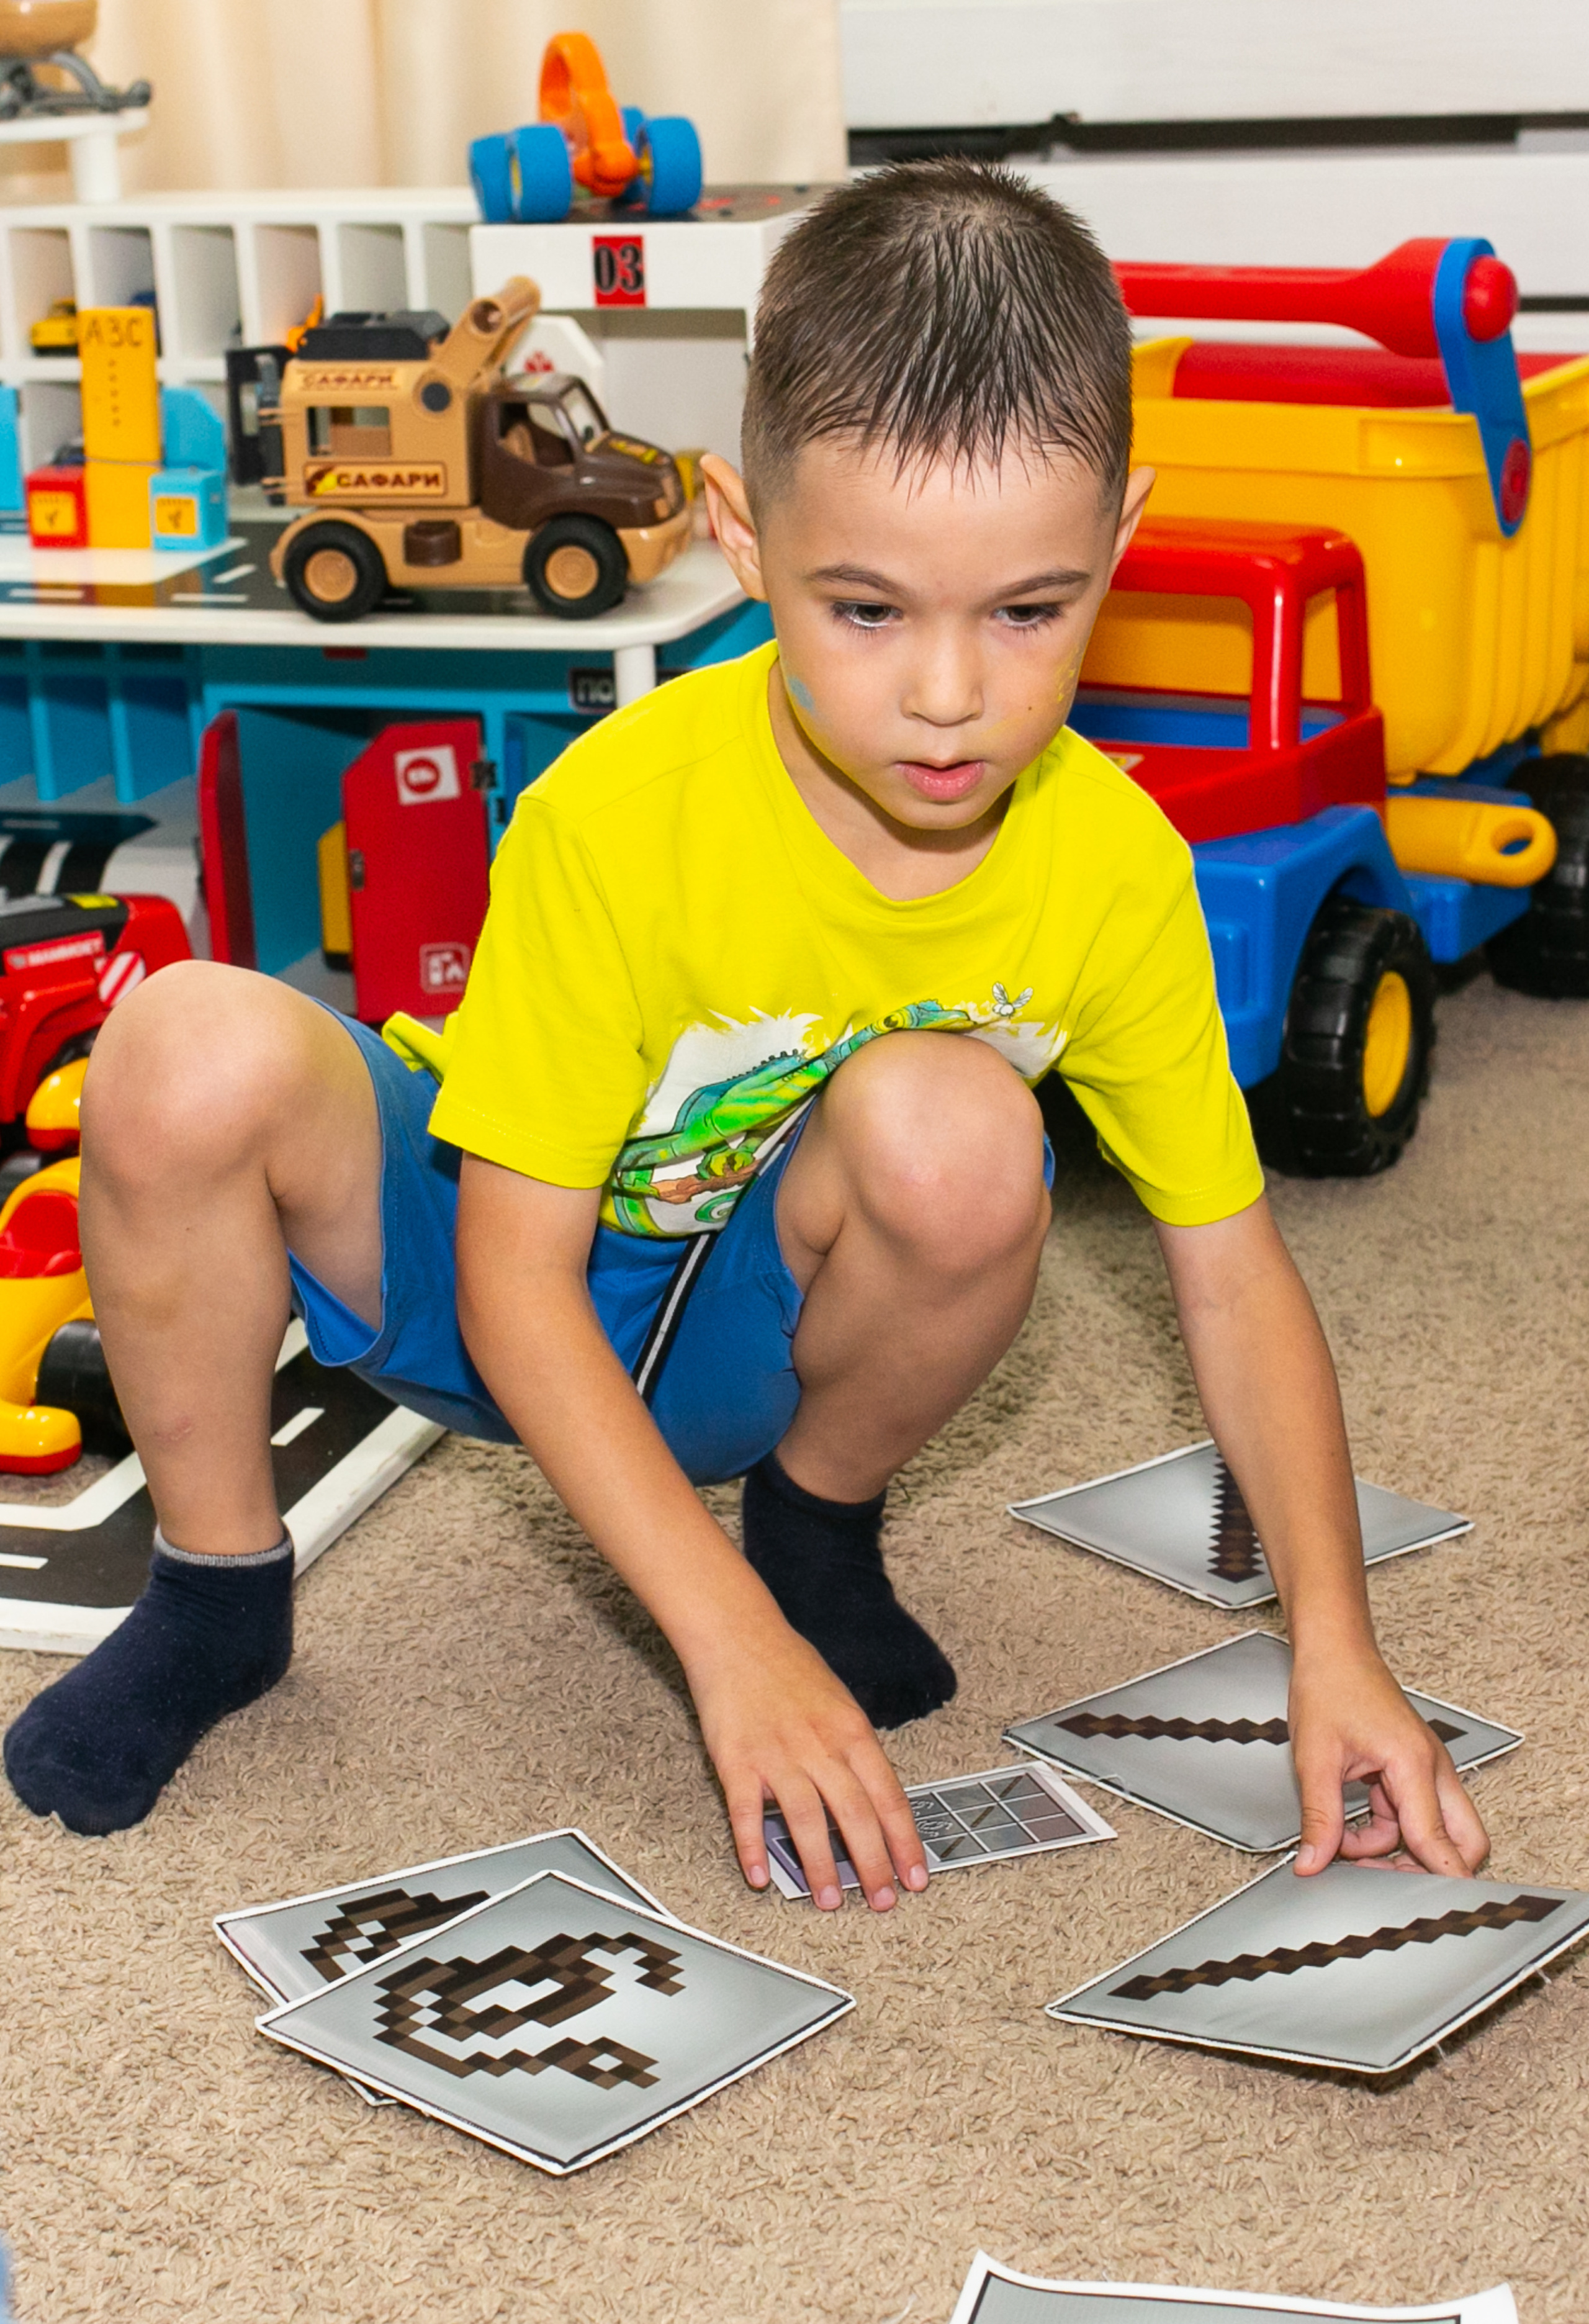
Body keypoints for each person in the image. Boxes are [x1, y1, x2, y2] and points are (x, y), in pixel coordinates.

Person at [4, 163, 1488, 1907]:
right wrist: (722, 1649)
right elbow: (512, 1281)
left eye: (1029, 610)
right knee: (185, 1039)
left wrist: (1336, 1642)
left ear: (1121, 541)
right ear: (740, 532)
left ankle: (816, 1523)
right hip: (494, 1284)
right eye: (865, 610)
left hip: (757, 1342)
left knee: (968, 1132)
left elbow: (1233, 1275)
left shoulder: (1118, 870)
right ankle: (217, 1595)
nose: (950, 696)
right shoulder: (620, 813)